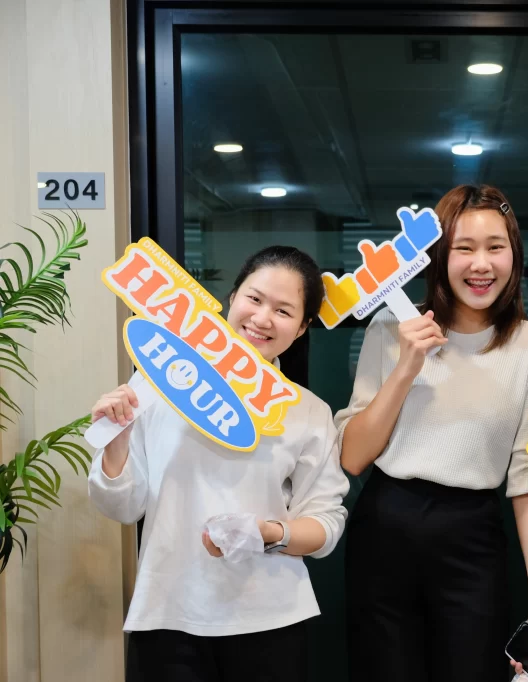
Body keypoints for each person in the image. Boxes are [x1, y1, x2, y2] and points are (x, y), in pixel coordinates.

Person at [88, 246, 349, 682]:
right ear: (231, 298)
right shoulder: (158, 380)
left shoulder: (307, 411)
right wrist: (115, 445)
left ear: (302, 328)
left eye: (284, 311)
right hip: (168, 611)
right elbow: (122, 508)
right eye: (254, 298)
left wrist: (269, 535)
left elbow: (326, 523)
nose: (262, 318)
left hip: (272, 618)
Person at [338, 185, 528, 682]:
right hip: (386, 524)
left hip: (473, 532)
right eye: (464, 247)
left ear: (513, 254)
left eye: (495, 247)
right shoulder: (390, 327)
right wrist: (406, 367)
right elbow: (352, 457)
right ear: (439, 255)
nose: (481, 264)